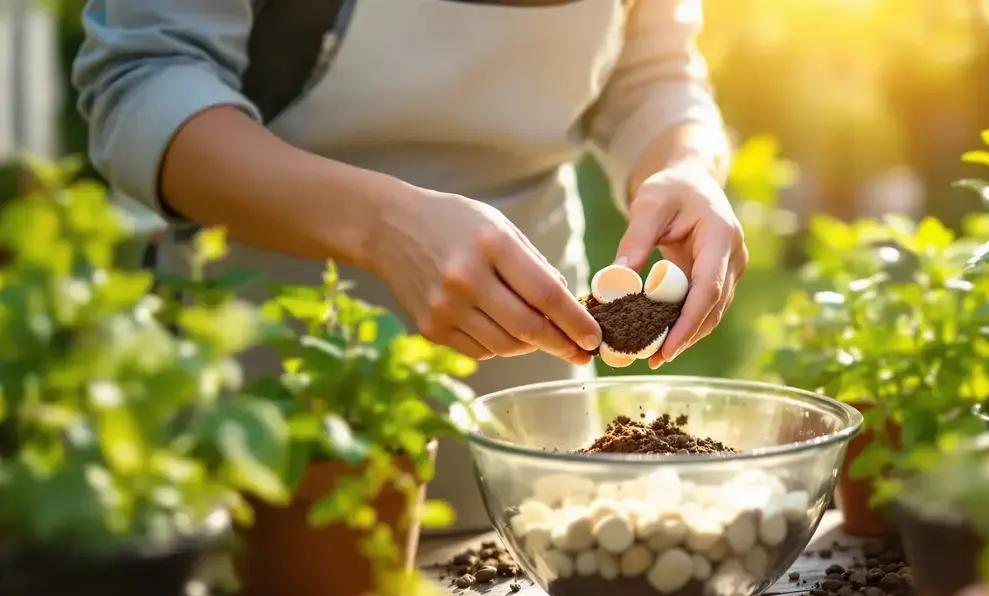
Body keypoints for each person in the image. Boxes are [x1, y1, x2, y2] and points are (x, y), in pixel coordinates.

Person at [72, 0, 747, 532]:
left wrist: (684, 166)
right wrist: (380, 226)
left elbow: (651, 68)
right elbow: (140, 82)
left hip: (529, 399)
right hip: (266, 382)